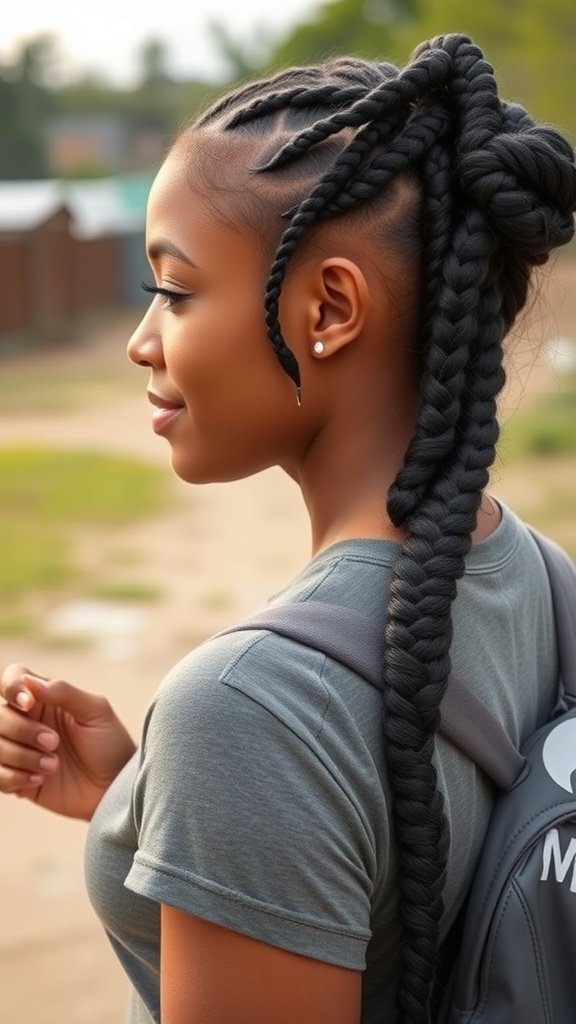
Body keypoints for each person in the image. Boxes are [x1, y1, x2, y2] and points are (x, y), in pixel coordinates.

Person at [1, 32, 575, 1024]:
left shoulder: (252, 709)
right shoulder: (543, 577)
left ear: (330, 308)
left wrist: (223, 759)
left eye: (174, 290)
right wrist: (151, 805)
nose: (143, 339)